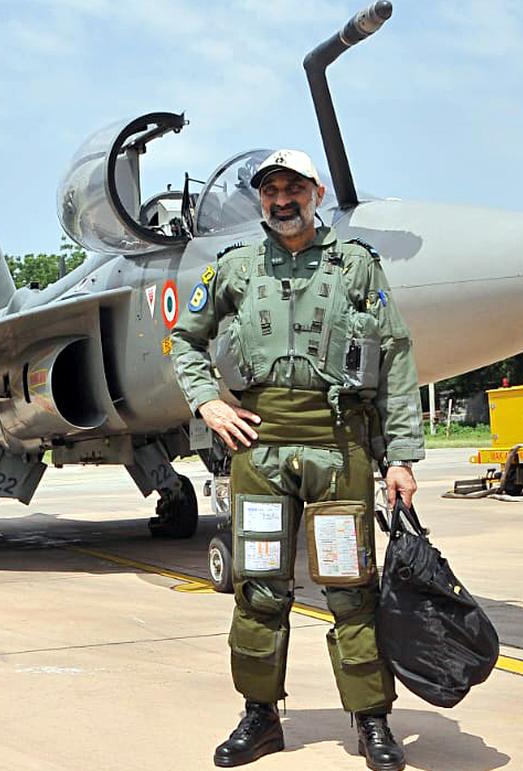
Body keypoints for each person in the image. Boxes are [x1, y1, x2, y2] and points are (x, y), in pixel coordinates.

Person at [170, 149, 424, 770]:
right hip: (259, 447)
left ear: (315, 192)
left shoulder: (356, 266)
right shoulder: (233, 269)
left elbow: (394, 356)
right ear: (260, 198)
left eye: (292, 189)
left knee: (351, 587)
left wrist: (402, 456)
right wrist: (208, 403)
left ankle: (371, 721)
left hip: (340, 445)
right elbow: (184, 337)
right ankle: (259, 718)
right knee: (258, 587)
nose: (281, 200)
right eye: (270, 190)